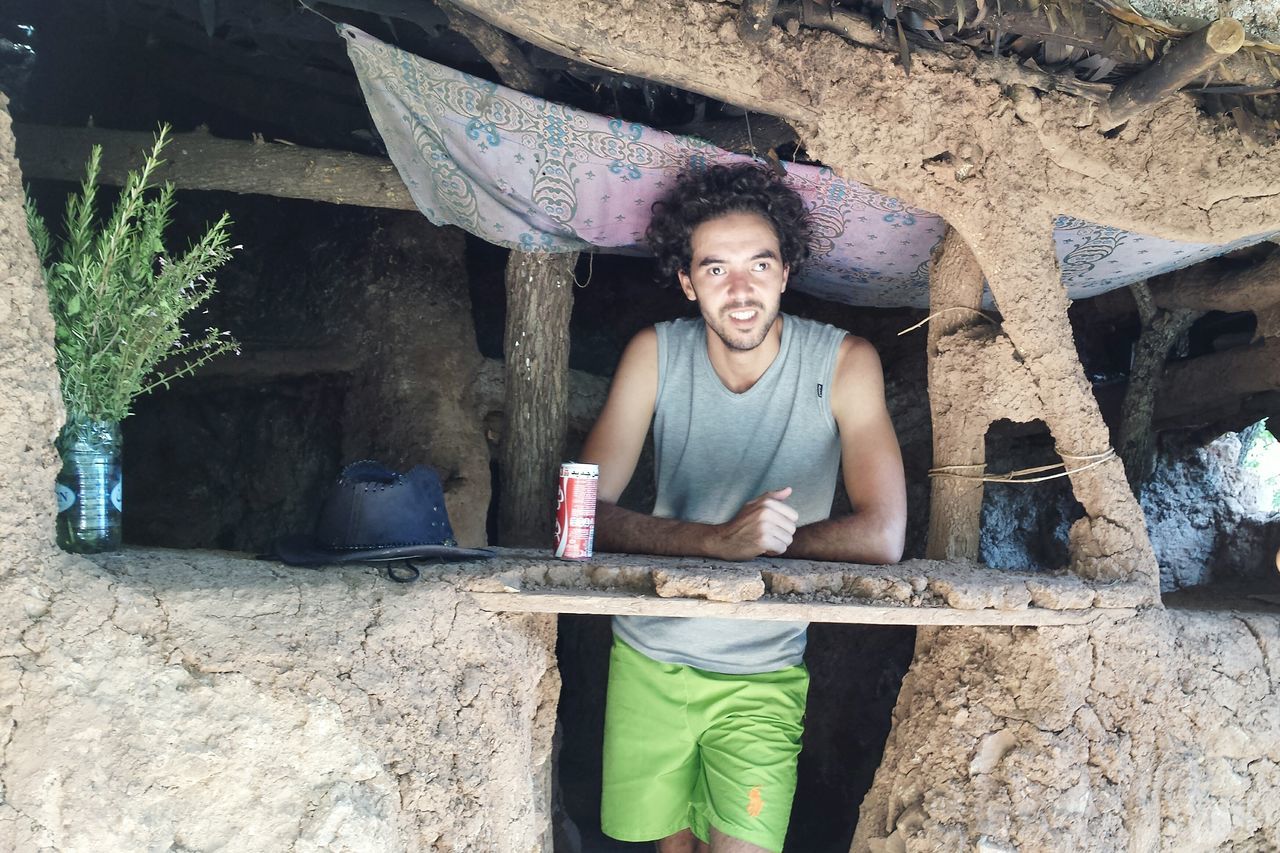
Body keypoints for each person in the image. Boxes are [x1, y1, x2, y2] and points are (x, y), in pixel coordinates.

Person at [579, 163, 908, 853]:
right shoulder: (655, 355)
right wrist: (714, 542)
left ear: (786, 271)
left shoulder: (845, 363)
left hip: (762, 671)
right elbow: (579, 514)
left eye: (759, 264)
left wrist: (758, 543)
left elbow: (883, 534)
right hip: (648, 655)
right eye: (715, 268)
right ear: (686, 280)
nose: (740, 290)